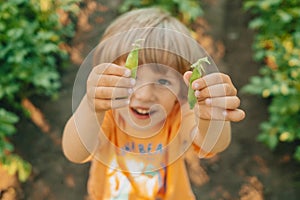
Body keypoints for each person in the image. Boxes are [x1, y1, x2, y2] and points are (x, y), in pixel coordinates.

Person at [62, 8, 245, 200]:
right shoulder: (106, 116)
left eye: (163, 82)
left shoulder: (178, 116)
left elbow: (214, 143)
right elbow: (75, 153)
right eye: (132, 76)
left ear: (181, 91)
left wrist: (212, 115)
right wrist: (91, 107)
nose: (144, 95)